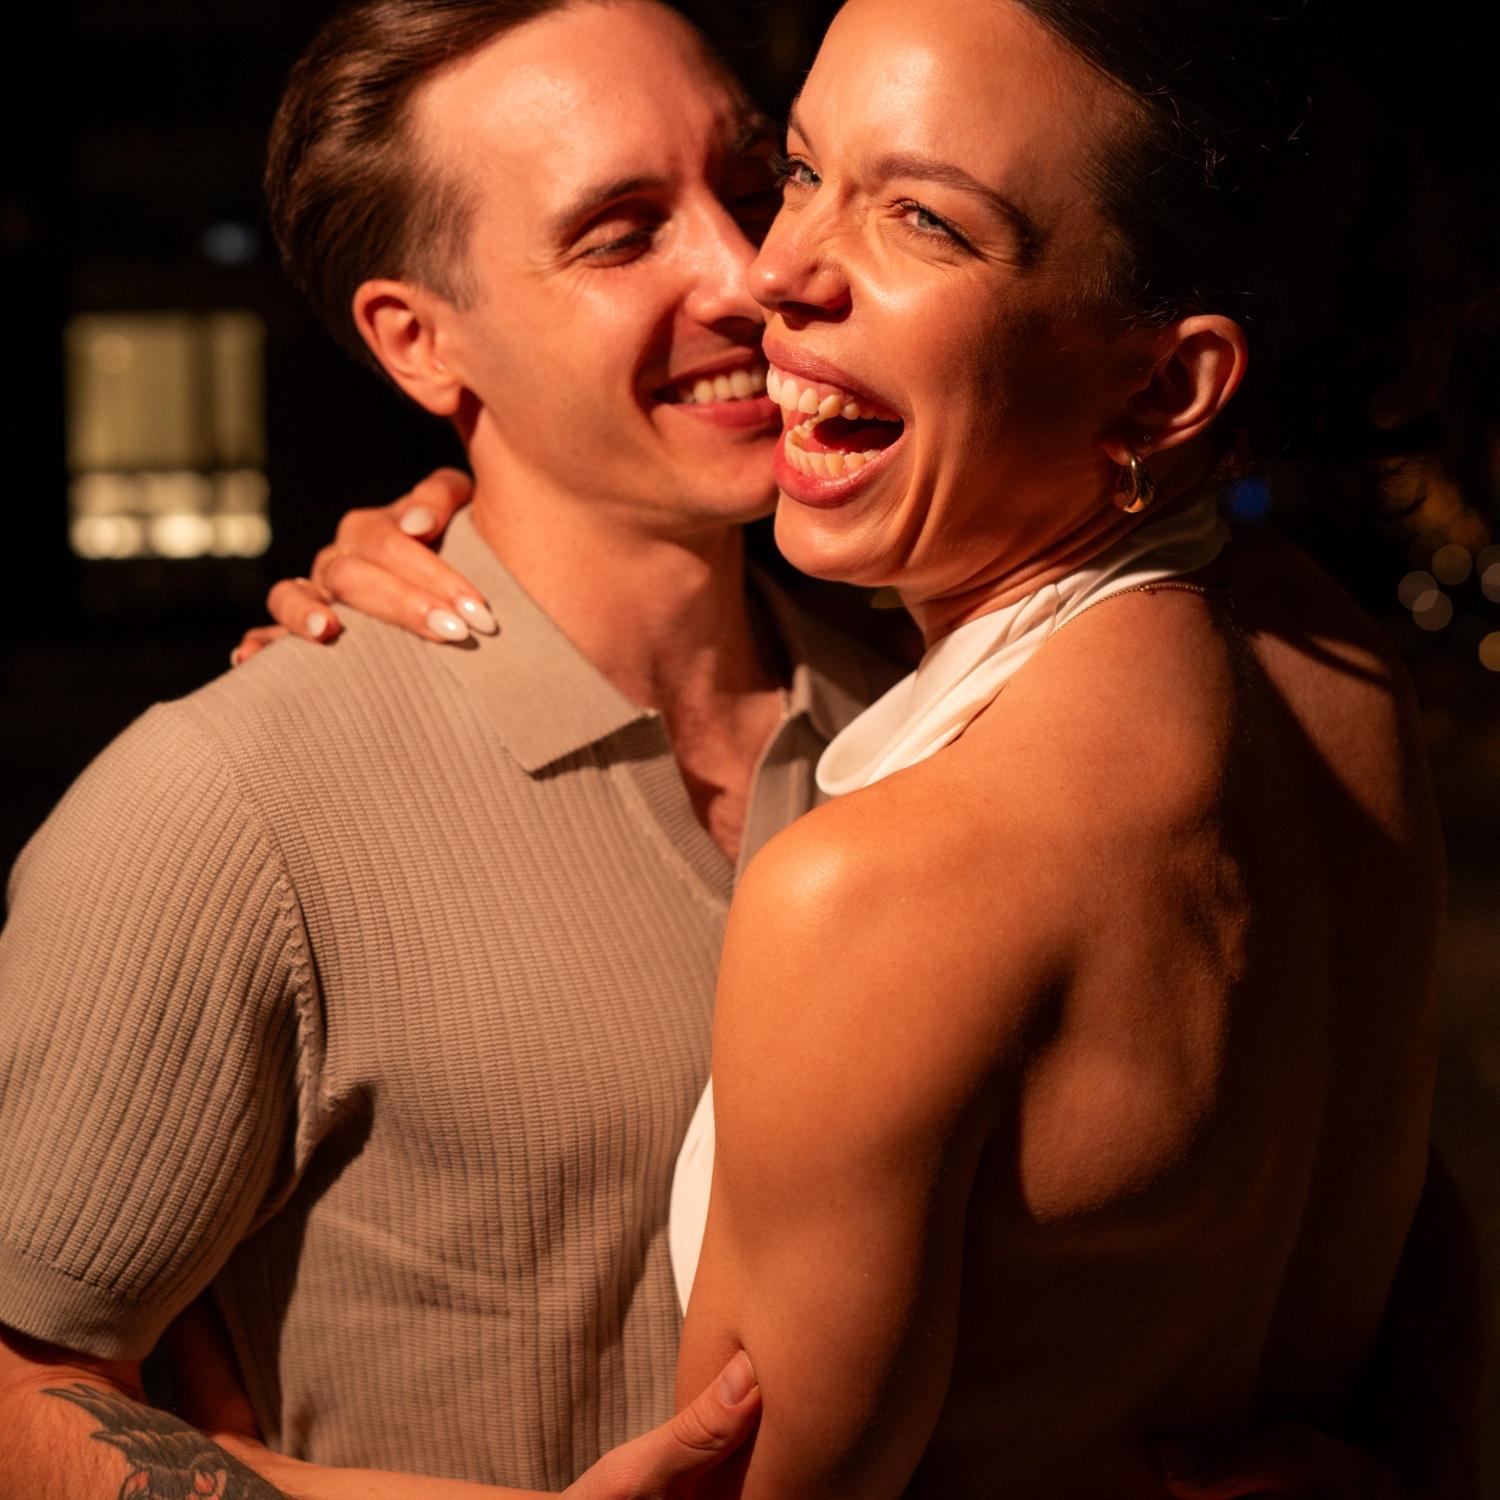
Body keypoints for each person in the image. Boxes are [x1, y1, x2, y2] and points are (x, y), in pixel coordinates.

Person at [250, 0, 1471, 1495]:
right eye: (806, 171)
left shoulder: (886, 889)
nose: (767, 271)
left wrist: (242, 1452)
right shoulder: (1335, 667)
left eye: (925, 220)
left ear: (1164, 384)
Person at [0, 2, 899, 1496]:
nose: (753, 274)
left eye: (756, 188)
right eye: (620, 235)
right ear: (418, 343)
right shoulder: (227, 807)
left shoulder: (931, 723)